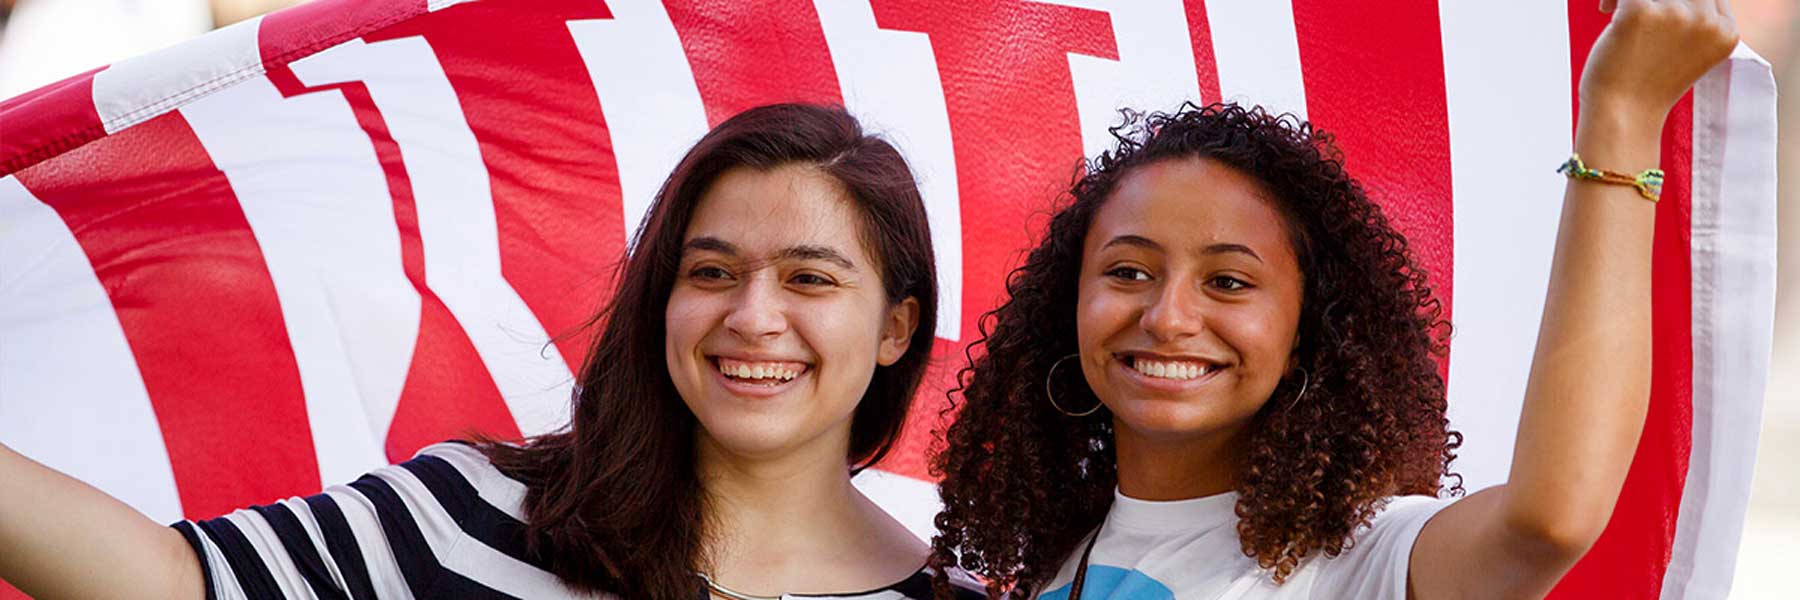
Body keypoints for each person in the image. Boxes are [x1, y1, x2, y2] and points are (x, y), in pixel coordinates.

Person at [0, 103, 985, 599]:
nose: (754, 317)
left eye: (810, 279)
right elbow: (180, 582)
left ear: (898, 325)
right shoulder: (477, 514)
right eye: (713, 272)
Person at [925, 1, 1739, 598]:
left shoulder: (1363, 559)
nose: (1168, 316)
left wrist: (1623, 114)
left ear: (1307, 332)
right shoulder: (1042, 570)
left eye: (1229, 282)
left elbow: (1549, 521)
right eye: (1128, 271)